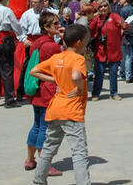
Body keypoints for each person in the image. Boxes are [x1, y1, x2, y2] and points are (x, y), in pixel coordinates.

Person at [29, 24, 91, 185]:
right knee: (79, 152)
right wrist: (79, 87)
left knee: (49, 148)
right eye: (85, 40)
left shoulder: (57, 57)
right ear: (79, 42)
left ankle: (38, 180)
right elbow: (77, 75)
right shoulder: (78, 59)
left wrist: (54, 79)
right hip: (72, 111)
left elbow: (34, 71)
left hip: (55, 109)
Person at [25, 12, 64, 174]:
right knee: (45, 128)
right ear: (46, 27)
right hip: (48, 89)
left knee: (37, 125)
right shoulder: (52, 46)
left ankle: (30, 159)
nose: (58, 25)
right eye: (55, 24)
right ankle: (44, 164)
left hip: (36, 88)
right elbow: (63, 62)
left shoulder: (37, 43)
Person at [88, 0, 125, 101]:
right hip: (101, 50)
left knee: (113, 73)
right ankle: (95, 94)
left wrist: (123, 25)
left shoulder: (114, 16)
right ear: (98, 8)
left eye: (105, 6)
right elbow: (90, 29)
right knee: (99, 73)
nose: (103, 8)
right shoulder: (97, 19)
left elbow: (125, 25)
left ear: (108, 7)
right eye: (100, 6)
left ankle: (114, 93)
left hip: (114, 50)